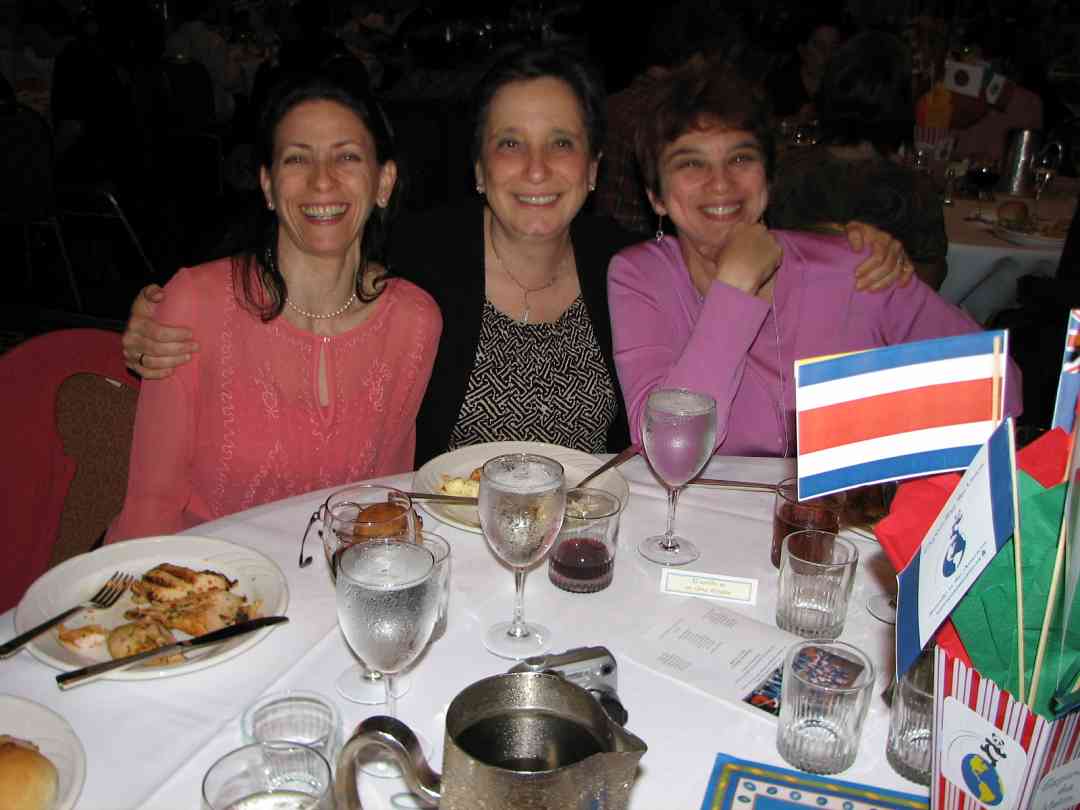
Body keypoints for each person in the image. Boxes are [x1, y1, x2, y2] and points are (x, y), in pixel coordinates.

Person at [120, 47, 912, 467]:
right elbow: (303, 251)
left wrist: (852, 243)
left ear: (596, 170)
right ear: (477, 169)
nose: (537, 171)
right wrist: (161, 310)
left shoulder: (629, 267)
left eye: (561, 144)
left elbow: (723, 225)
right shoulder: (421, 251)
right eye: (511, 145)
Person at [608, 61, 1021, 458]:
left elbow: (1003, 388)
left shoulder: (855, 268)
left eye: (740, 158)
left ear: (767, 178)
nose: (720, 182)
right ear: (656, 196)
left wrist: (867, 438)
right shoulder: (639, 278)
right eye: (691, 163)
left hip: (840, 523)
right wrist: (733, 290)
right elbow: (669, 449)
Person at [107, 66, 441, 542]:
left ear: (384, 182)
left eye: (346, 157)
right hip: (196, 585)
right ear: (267, 185)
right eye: (297, 160)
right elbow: (150, 502)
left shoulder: (414, 321)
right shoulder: (195, 303)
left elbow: (378, 502)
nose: (322, 181)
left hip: (327, 590)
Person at [768, 31, 948, 290]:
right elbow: (929, 281)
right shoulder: (914, 193)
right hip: (878, 325)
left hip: (795, 314)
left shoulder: (785, 173)